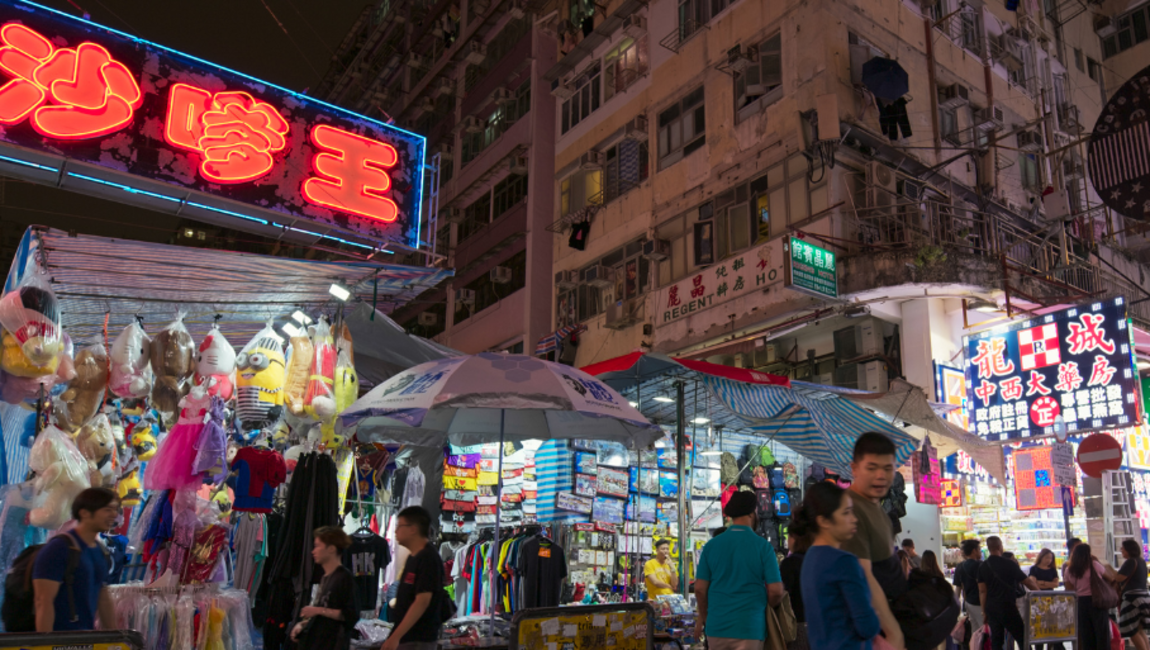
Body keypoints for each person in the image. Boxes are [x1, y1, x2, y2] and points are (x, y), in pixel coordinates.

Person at [694, 490, 784, 650]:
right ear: (752, 513)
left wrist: (708, 618)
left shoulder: (711, 546)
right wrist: (768, 605)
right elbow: (776, 591)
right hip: (750, 627)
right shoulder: (763, 547)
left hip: (716, 629)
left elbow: (700, 589)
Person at [796, 482, 881, 650]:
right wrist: (875, 616)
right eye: (846, 513)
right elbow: (867, 626)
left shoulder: (810, 558)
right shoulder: (844, 562)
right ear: (824, 521)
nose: (854, 519)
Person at [842, 432, 905, 650]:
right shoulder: (851, 510)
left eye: (888, 469)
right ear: (854, 468)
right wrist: (893, 633)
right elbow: (863, 577)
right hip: (872, 637)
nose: (881, 476)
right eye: (871, 468)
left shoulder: (876, 507)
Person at [33, 487, 119, 632]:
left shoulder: (100, 550)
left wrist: (116, 637)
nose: (114, 515)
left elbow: (103, 598)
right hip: (60, 640)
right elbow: (43, 601)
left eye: (115, 509)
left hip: (85, 638)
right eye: (107, 509)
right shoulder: (59, 548)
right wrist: (45, 644)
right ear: (84, 513)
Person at [382, 507, 444, 650]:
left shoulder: (428, 558)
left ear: (413, 529)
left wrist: (395, 637)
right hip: (408, 639)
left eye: (399, 526)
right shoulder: (413, 557)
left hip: (418, 640)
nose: (396, 531)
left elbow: (422, 601)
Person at [291, 526, 358, 650]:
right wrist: (304, 624)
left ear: (331, 549)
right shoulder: (326, 577)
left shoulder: (344, 578)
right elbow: (324, 617)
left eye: (317, 546)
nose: (313, 551)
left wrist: (316, 610)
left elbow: (350, 615)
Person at [977, 536, 1038, 650]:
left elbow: (982, 591)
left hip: (992, 607)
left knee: (996, 640)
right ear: (1000, 546)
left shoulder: (983, 566)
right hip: (1007, 605)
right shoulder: (1009, 564)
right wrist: (1039, 594)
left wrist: (984, 611)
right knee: (1022, 637)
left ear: (988, 548)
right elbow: (1027, 581)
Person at [1064, 542, 1116, 650]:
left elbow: (1069, 589)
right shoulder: (1094, 565)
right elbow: (1110, 578)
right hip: (1097, 600)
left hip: (1080, 603)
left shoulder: (1069, 570)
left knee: (1086, 634)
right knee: (1102, 633)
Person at [1115, 539, 1150, 650]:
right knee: (1139, 629)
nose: (1121, 551)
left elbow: (1120, 577)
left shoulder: (1130, 561)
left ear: (1129, 550)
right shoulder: (1141, 561)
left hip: (1132, 599)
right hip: (1144, 598)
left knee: (1130, 629)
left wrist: (1112, 574)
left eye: (1123, 549)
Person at [780, 531, 811, 650]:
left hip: (797, 623)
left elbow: (782, 593)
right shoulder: (816, 559)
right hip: (818, 623)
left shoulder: (790, 563)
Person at [953, 539, 984, 631]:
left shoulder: (960, 566)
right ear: (974, 551)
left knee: (975, 632)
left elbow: (958, 589)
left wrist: (956, 608)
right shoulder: (981, 565)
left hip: (968, 604)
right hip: (980, 604)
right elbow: (983, 589)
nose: (980, 552)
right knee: (985, 632)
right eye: (979, 549)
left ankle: (974, 646)